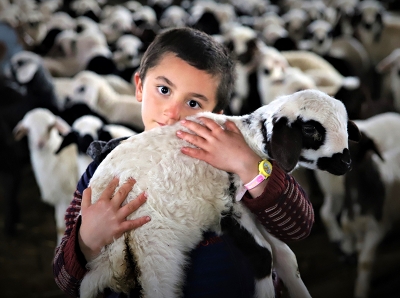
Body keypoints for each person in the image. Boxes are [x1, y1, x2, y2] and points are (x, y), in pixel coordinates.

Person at [53, 27, 314, 298]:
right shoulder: (106, 169)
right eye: (164, 89)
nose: (172, 112)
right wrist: (87, 242)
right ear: (140, 86)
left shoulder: (231, 163)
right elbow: (65, 279)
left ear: (216, 116)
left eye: (193, 103)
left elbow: (298, 225)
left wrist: (251, 167)